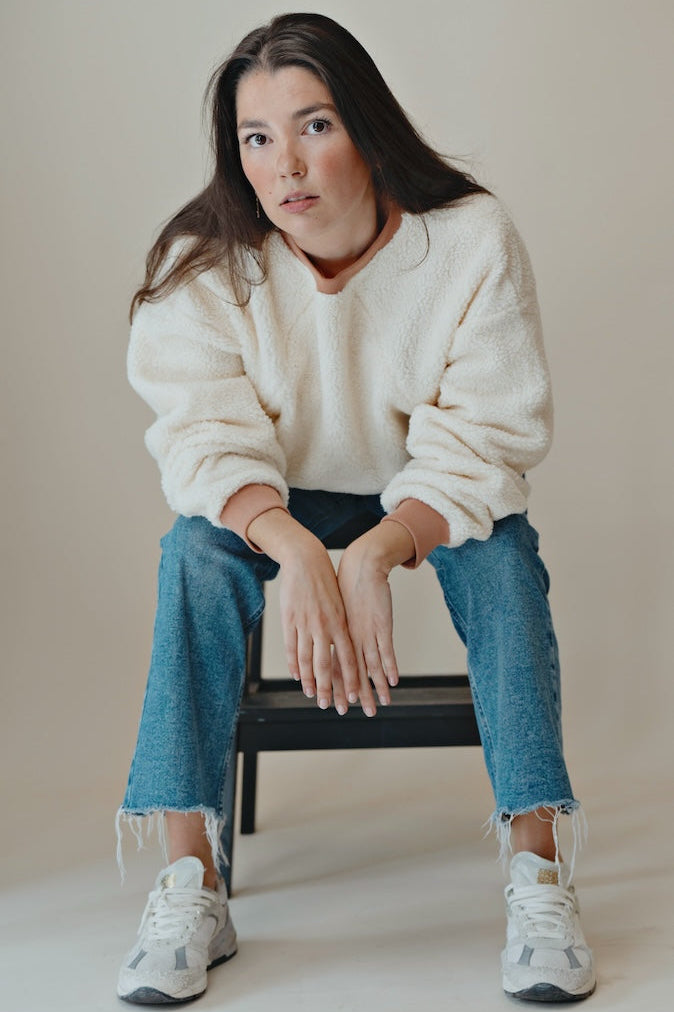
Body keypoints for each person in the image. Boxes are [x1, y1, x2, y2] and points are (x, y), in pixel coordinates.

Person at [116, 12, 595, 1006]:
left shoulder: (467, 240)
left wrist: (378, 550)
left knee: (503, 555)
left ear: (368, 128)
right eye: (256, 137)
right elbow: (204, 438)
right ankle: (190, 882)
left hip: (422, 487)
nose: (285, 164)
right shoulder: (208, 262)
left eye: (315, 125)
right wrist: (294, 549)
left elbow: (488, 433)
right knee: (193, 552)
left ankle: (537, 870)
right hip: (272, 495)